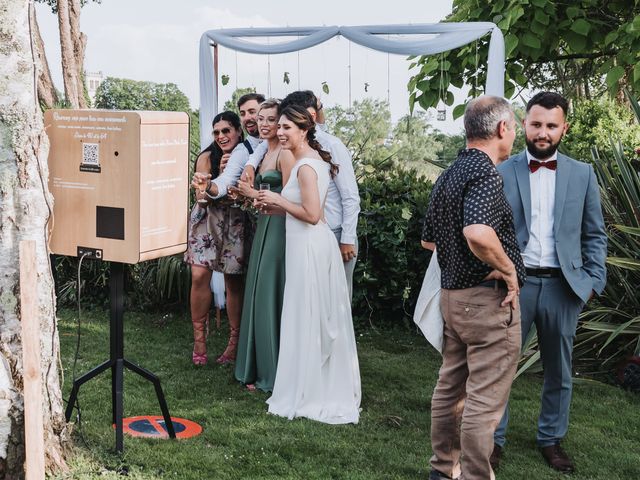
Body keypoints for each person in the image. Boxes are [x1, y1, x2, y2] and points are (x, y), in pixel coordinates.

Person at [492, 92, 607, 473]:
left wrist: (592, 283)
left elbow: (595, 234)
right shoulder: (501, 170)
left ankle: (551, 439)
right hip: (513, 285)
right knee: (501, 366)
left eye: (551, 126)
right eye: (537, 124)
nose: (543, 132)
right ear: (524, 124)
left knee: (559, 369)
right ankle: (492, 439)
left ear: (564, 129)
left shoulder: (582, 173)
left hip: (564, 287)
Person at [422, 96, 525, 480]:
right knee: (483, 401)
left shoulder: (449, 173)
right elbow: (477, 232)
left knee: (450, 388)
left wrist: (463, 262)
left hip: (453, 298)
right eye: (513, 126)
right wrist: (508, 269)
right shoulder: (484, 174)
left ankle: (442, 470)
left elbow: (429, 241)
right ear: (501, 129)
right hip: (485, 303)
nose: (513, 134)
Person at [256, 105, 361, 424]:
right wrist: (270, 206)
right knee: (306, 314)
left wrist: (277, 200)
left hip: (310, 248)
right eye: (280, 127)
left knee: (309, 315)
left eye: (287, 127)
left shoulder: (305, 166)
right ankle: (305, 382)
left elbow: (314, 216)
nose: (280, 132)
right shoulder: (309, 161)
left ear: (304, 130)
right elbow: (304, 210)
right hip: (305, 245)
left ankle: (309, 390)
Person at [243, 90, 360, 299]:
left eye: (286, 125)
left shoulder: (331, 146)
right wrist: (252, 167)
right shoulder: (294, 148)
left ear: (309, 119)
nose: (280, 131)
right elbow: (265, 146)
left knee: (337, 300)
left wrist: (347, 238)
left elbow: (350, 196)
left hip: (334, 231)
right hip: (304, 232)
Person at [234, 99, 295, 392]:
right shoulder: (263, 152)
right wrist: (247, 194)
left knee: (270, 292)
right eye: (261, 119)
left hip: (281, 226)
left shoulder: (285, 154)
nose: (264, 124)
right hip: (265, 225)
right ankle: (254, 366)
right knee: (257, 291)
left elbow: (291, 198)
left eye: (272, 119)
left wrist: (251, 192)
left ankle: (272, 372)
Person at [185, 111, 246, 365]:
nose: (221, 136)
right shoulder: (207, 157)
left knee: (233, 281)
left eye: (226, 130)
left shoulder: (247, 154)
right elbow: (201, 198)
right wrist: (213, 181)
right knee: (199, 276)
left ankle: (234, 343)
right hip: (207, 220)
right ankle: (200, 339)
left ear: (238, 131)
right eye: (217, 132)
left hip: (234, 221)